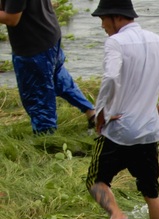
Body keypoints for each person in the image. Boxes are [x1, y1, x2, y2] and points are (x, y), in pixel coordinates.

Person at [86, 0, 159, 219]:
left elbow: (111, 77)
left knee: (96, 181)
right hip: (149, 130)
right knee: (151, 193)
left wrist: (101, 112)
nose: (102, 25)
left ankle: (117, 216)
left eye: (103, 19)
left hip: (119, 130)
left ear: (116, 18)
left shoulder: (115, 42)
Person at [0, 0, 95, 134]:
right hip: (49, 34)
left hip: (34, 47)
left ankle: (46, 138)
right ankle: (91, 112)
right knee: (58, 78)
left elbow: (12, 18)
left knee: (37, 96)